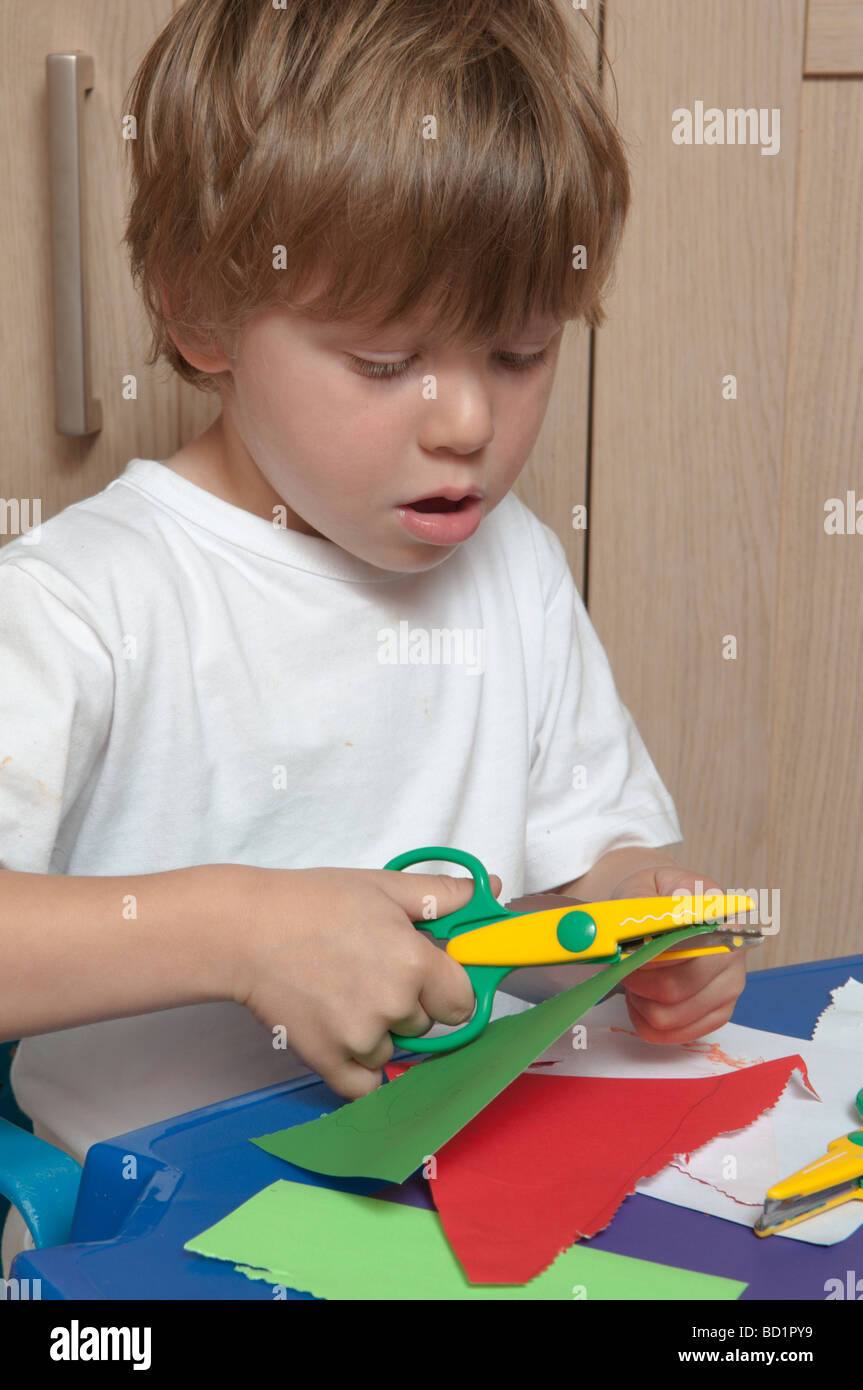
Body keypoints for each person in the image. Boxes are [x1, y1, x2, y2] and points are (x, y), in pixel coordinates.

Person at [0, 0, 745, 1276]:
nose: (464, 421)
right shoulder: (85, 600)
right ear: (202, 315)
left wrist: (637, 932)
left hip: (442, 1198)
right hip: (141, 1221)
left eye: (517, 353)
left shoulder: (511, 568)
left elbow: (588, 857)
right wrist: (245, 932)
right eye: (387, 356)